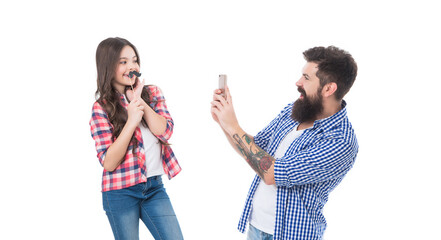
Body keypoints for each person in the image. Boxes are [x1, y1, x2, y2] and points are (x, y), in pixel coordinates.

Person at [211, 46, 358, 240]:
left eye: (306, 78)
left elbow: (271, 172)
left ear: (329, 88)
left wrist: (233, 126)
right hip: (256, 227)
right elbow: (255, 150)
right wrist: (224, 122)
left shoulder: (341, 141)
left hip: (291, 235)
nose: (297, 82)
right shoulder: (294, 111)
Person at [90, 37, 183, 240]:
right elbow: (109, 162)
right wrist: (132, 120)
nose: (131, 66)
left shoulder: (152, 93)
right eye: (123, 62)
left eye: (134, 60)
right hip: (120, 192)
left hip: (154, 188)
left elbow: (165, 131)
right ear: (108, 66)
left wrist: (139, 101)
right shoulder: (101, 108)